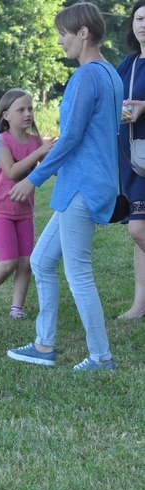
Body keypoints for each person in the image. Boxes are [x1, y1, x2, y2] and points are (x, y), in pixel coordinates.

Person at [6, 2, 121, 371]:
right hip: (91, 183)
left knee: (78, 272)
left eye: (63, 34)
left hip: (82, 188)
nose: (59, 41)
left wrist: (32, 178)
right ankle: (43, 345)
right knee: (40, 260)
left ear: (83, 33)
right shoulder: (111, 74)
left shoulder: (87, 75)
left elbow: (70, 138)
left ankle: (101, 356)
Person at [0, 89, 56, 319]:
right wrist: (40, 152)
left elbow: (51, 170)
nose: (27, 114)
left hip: (24, 212)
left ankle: (17, 309)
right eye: (20, 110)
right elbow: (12, 172)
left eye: (30, 109)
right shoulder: (2, 141)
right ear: (6, 115)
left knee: (26, 262)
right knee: (8, 261)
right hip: (0, 211)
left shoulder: (35, 142)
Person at [115, 0, 145, 319]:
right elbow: (117, 101)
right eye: (138, 18)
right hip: (134, 157)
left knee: (138, 230)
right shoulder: (130, 63)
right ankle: (140, 304)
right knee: (140, 231)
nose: (143, 24)